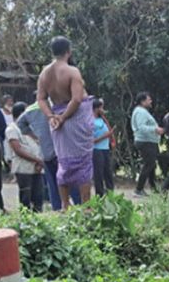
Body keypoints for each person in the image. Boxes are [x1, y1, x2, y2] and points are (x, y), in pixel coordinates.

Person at [36, 36, 95, 209]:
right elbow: (76, 99)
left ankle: (65, 205)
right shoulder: (72, 71)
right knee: (83, 163)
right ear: (68, 51)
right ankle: (86, 207)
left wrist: (51, 116)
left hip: (57, 122)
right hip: (73, 120)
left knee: (64, 163)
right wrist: (62, 117)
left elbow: (41, 99)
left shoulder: (44, 74)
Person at [18, 98, 80, 211]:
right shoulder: (58, 106)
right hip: (61, 150)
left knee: (53, 183)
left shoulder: (29, 110)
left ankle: (57, 209)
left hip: (45, 151)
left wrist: (34, 135)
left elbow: (20, 124)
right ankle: (79, 206)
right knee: (70, 180)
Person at [6, 102, 45, 212]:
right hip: (23, 168)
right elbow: (18, 150)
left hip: (36, 167)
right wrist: (37, 160)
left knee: (38, 196)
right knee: (26, 198)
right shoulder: (12, 129)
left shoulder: (30, 127)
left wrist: (39, 161)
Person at [130, 91, 163, 196]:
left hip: (149, 141)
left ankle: (153, 188)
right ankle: (139, 189)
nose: (151, 101)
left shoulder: (142, 111)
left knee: (152, 164)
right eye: (149, 99)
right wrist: (155, 129)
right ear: (142, 101)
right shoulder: (140, 112)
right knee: (149, 164)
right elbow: (141, 127)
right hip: (145, 141)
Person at [92, 98, 115, 196]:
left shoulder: (102, 119)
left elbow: (109, 130)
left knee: (108, 172)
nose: (103, 109)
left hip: (105, 149)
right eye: (101, 107)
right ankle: (99, 194)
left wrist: (112, 138)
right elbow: (91, 140)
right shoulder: (91, 121)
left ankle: (110, 192)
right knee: (99, 173)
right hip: (97, 150)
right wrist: (105, 136)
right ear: (96, 108)